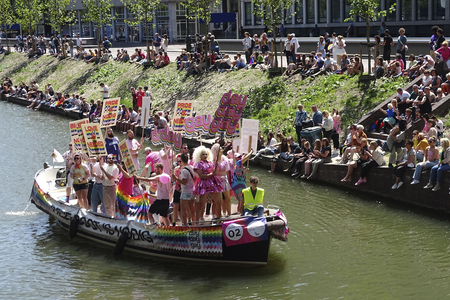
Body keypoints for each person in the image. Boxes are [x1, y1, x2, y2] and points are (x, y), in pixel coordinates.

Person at [193, 146, 223, 220]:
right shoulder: (198, 164)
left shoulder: (210, 163)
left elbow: (215, 173)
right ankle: (197, 222)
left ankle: (219, 220)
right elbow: (201, 176)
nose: (205, 156)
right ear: (199, 155)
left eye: (206, 154)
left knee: (218, 203)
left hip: (213, 183)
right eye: (203, 154)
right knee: (201, 204)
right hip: (204, 184)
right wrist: (211, 174)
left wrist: (216, 167)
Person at [171, 153, 196, 224]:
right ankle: (194, 224)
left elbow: (184, 182)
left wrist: (176, 178)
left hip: (185, 191)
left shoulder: (184, 170)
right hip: (191, 190)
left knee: (184, 210)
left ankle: (185, 225)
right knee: (191, 209)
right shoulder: (192, 167)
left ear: (181, 160)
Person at [231, 150, 253, 214]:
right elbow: (246, 158)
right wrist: (251, 152)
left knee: (240, 201)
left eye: (240, 157)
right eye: (239, 157)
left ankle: (239, 212)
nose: (240, 158)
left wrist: (245, 171)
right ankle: (241, 213)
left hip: (239, 184)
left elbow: (239, 173)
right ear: (235, 158)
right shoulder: (238, 163)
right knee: (241, 200)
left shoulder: (237, 165)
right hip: (238, 185)